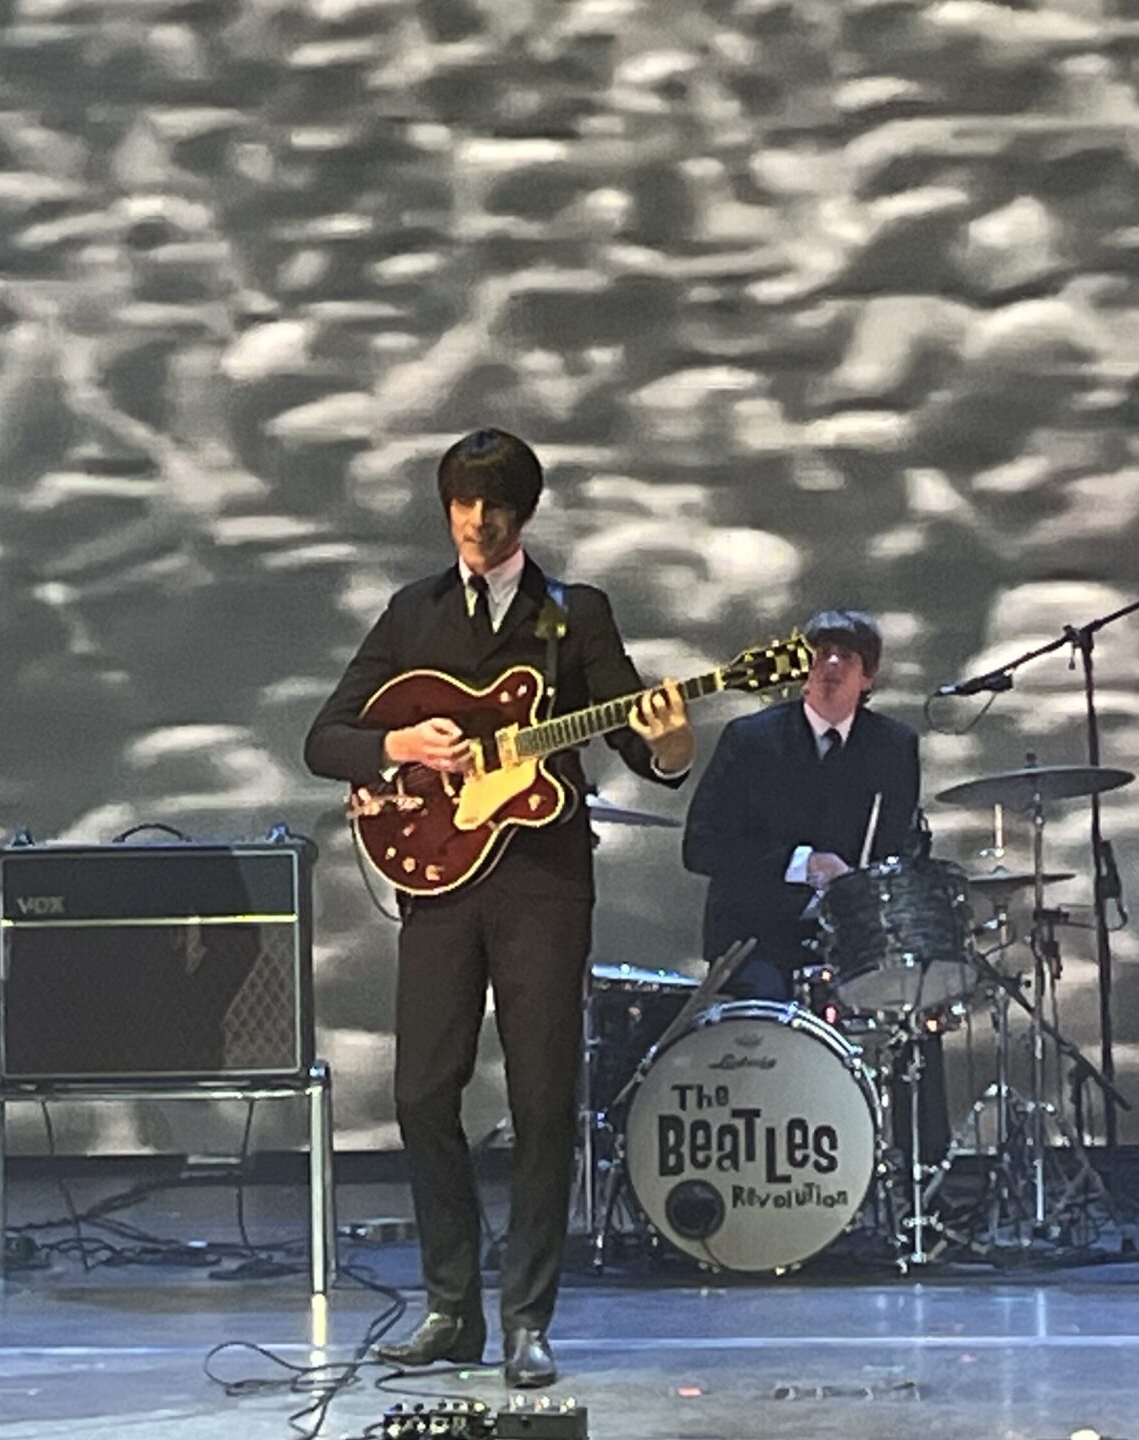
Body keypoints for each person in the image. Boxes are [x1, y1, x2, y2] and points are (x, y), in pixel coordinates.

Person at [305, 428, 691, 1388]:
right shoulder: (413, 612)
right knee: (421, 1093)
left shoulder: (577, 615)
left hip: (543, 882)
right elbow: (326, 737)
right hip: (438, 877)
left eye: (497, 506)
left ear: (525, 514)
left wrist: (674, 744)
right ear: (446, 510)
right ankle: (450, 1306)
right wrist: (399, 747)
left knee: (542, 1100)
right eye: (464, 505)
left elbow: (646, 749)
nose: (479, 522)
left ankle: (527, 1317)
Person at [681, 608, 922, 1004]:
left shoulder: (894, 746)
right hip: (755, 939)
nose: (830, 663)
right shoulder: (750, 740)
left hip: (851, 943)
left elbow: (898, 849)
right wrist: (802, 864)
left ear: (868, 677)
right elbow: (701, 846)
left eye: (846, 656)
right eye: (820, 652)